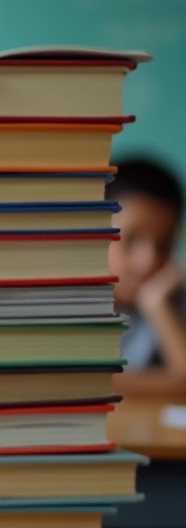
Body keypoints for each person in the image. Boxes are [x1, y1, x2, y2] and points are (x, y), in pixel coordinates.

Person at [107, 157, 186, 397]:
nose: (148, 260)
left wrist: (158, 306)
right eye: (130, 240)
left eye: (164, 244)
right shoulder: (63, 302)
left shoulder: (171, 299)